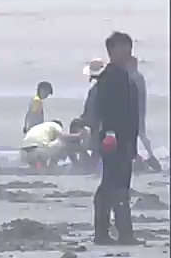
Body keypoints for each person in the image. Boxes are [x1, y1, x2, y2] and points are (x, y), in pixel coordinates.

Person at [91, 31, 141, 245]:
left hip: (124, 139)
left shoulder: (123, 76)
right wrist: (109, 134)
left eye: (128, 47)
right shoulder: (111, 77)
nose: (126, 51)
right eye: (121, 47)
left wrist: (133, 144)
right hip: (113, 139)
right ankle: (118, 233)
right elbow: (105, 109)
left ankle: (112, 232)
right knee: (115, 185)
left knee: (116, 185)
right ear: (111, 51)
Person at [126, 56, 161, 172]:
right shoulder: (138, 76)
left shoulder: (135, 77)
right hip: (139, 110)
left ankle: (148, 156)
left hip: (136, 111)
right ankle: (146, 156)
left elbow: (135, 96)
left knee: (137, 134)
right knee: (140, 134)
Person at [20, 120, 85, 172]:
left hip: (23, 153)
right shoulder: (55, 125)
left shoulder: (40, 128)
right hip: (37, 150)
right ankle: (52, 166)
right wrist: (79, 135)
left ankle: (39, 168)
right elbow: (62, 137)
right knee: (61, 142)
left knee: (42, 154)